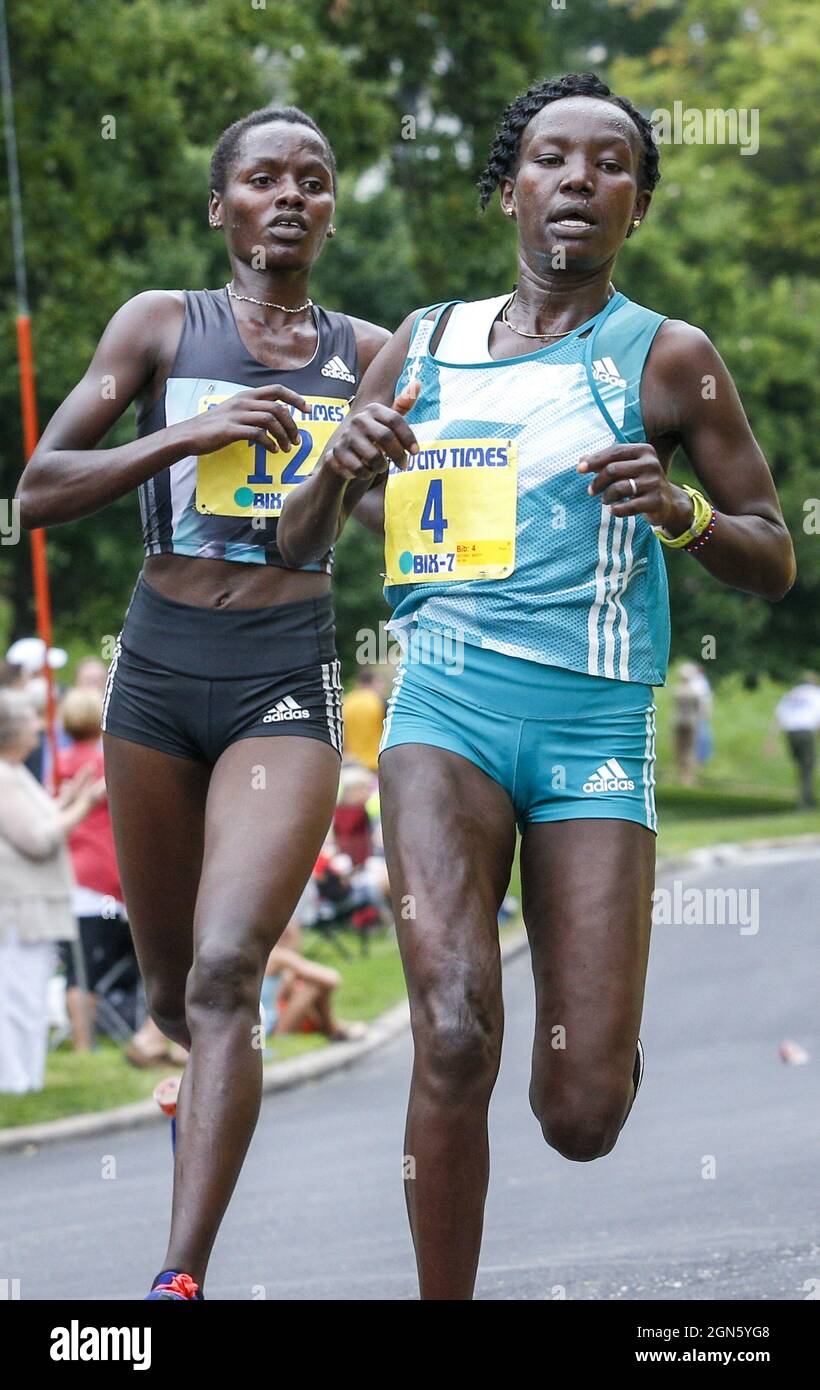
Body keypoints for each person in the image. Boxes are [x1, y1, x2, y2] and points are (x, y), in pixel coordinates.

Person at [278, 72, 795, 1299]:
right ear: (505, 187)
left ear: (637, 206)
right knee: (452, 1029)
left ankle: (605, 1049)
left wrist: (679, 513)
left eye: (609, 166)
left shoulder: (670, 359)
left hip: (595, 726)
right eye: (552, 160)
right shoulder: (422, 343)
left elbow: (773, 554)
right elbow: (300, 544)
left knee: (580, 1114)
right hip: (441, 713)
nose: (578, 181)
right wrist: (339, 459)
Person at [16, 105, 390, 1300]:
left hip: (287, 668)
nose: (292, 196)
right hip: (156, 671)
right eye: (265, 179)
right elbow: (37, 489)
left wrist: (371, 471)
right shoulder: (161, 326)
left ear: (333, 209)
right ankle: (200, 1074)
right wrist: (188, 439)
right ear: (219, 207)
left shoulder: (375, 350)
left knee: (230, 969)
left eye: (316, 181)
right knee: (178, 991)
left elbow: (411, 529)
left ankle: (177, 1281)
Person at [0, 689, 105, 1093]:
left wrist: (71, 798)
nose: (40, 726)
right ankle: (15, 1081)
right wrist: (85, 805)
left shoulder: (16, 774)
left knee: (29, 992)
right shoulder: (6, 778)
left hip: (33, 905)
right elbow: (38, 839)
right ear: (10, 729)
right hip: (18, 909)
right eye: (30, 718)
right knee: (16, 996)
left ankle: (28, 1078)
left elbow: (38, 818)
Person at [54, 689, 136, 1050]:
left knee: (81, 967)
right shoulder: (107, 762)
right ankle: (85, 1045)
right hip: (102, 878)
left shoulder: (59, 762)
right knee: (89, 970)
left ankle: (86, 1040)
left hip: (72, 875)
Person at [771, 674, 820, 809]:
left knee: (801, 766)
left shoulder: (791, 694)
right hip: (806, 732)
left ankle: (806, 797)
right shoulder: (816, 693)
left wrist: (771, 740)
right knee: (807, 767)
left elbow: (779, 717)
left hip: (791, 733)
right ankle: (806, 801)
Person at [672, 660, 711, 785]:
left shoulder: (677, 690)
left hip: (678, 720)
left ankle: (682, 774)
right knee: (689, 749)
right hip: (691, 722)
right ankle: (688, 776)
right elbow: (700, 708)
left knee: (679, 749)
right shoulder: (694, 692)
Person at [342, 668, 386, 771]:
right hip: (375, 765)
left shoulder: (346, 702)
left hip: (353, 765)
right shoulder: (379, 702)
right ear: (374, 682)